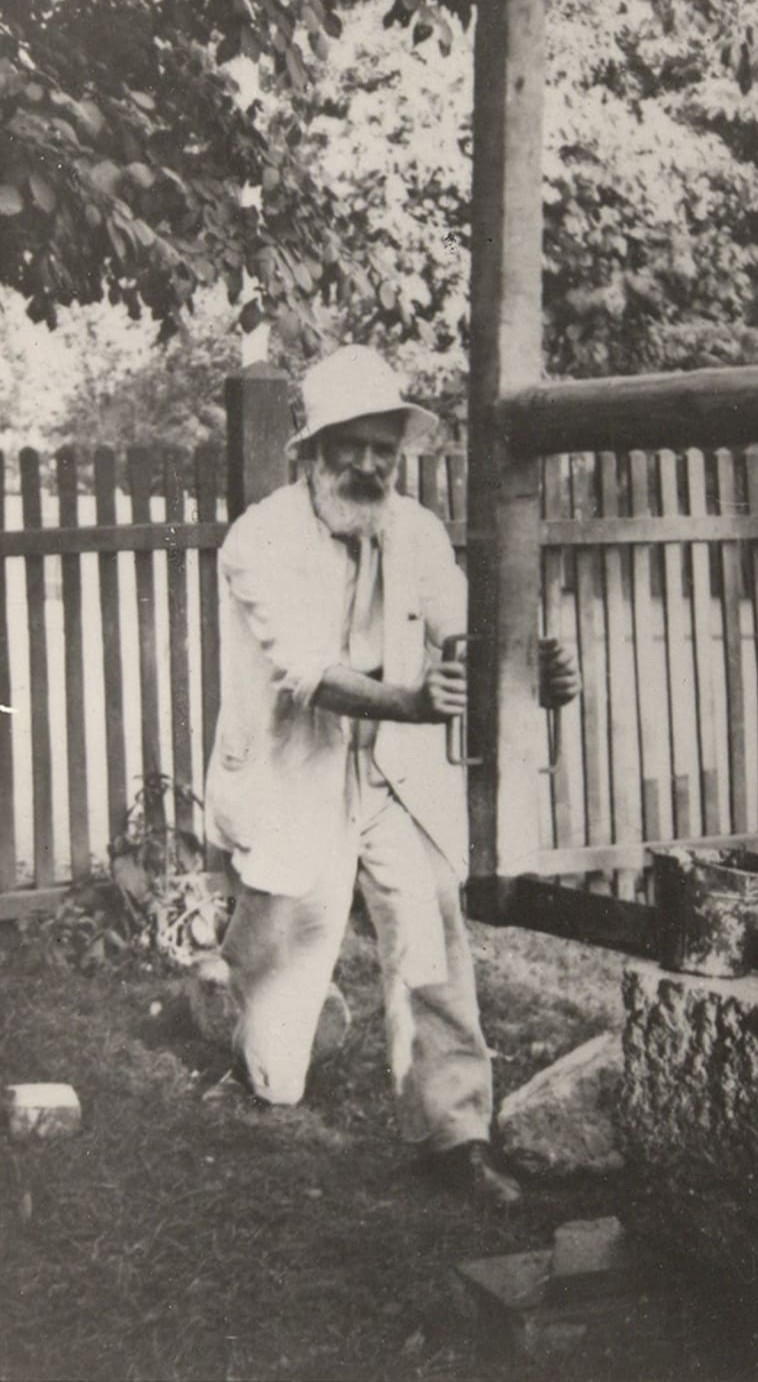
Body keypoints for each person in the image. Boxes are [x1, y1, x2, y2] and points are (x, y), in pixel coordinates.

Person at [204, 345, 580, 1206]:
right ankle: (246, 1028)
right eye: (352, 446)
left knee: (430, 935)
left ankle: (457, 1132)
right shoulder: (259, 538)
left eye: (384, 447)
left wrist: (537, 673)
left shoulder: (414, 528)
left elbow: (469, 634)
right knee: (279, 978)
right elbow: (306, 671)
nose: (370, 465)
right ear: (312, 450)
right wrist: (410, 702)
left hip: (394, 777)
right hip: (298, 769)